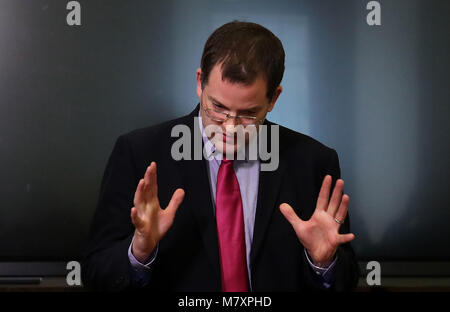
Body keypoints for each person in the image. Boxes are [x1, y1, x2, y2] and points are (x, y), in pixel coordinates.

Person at [82, 21, 359, 292]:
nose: (230, 127)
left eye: (248, 113)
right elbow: (95, 274)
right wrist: (139, 252)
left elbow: (346, 279)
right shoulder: (138, 152)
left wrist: (323, 262)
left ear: (273, 98)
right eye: (217, 107)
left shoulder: (314, 163)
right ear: (200, 82)